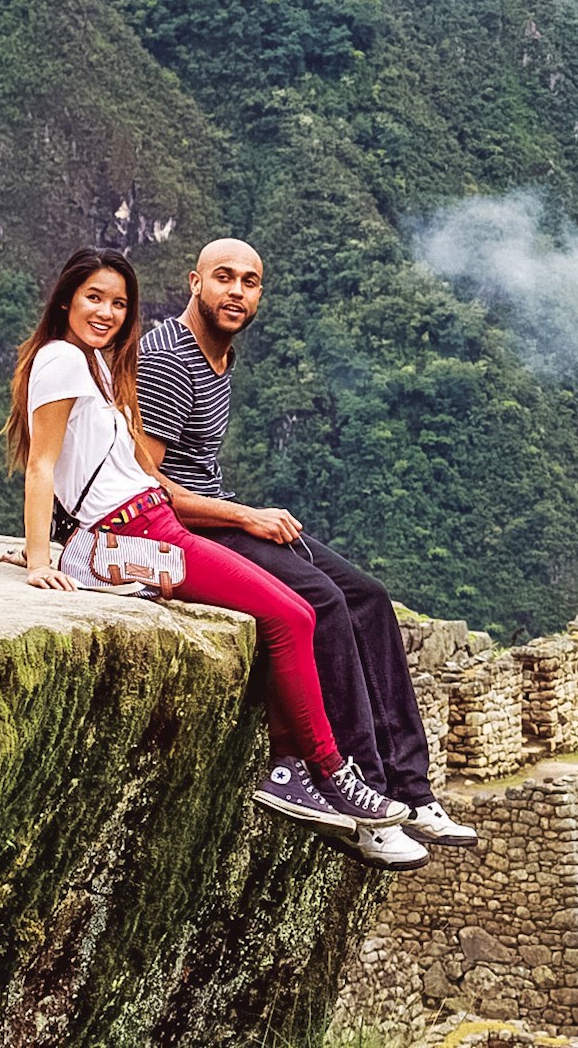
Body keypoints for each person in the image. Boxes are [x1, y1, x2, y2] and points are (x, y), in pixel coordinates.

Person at [6, 248, 413, 864]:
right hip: (136, 536)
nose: (107, 313)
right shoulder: (63, 360)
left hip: (150, 525)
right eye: (93, 297)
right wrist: (41, 560)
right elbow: (42, 463)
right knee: (292, 615)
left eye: (119, 303)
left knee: (291, 609)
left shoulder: (92, 364)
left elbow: (84, 468)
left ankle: (301, 772)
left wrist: (60, 545)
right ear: (66, 298)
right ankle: (318, 772)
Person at [135, 238, 478, 865]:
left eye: (250, 282)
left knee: (369, 597)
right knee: (319, 600)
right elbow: (145, 482)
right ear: (194, 282)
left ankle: (410, 788)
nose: (237, 292)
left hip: (222, 511)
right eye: (224, 278)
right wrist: (247, 517)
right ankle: (362, 793)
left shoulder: (219, 356)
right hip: (190, 527)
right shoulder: (168, 358)